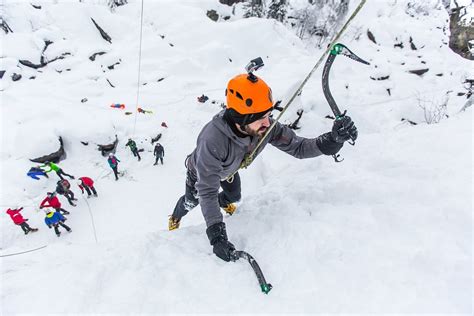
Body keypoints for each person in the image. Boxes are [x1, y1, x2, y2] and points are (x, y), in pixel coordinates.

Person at [169, 73, 358, 262]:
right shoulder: (212, 140)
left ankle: (224, 202)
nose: (268, 123)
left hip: (228, 171)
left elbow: (299, 147)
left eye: (269, 115)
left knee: (234, 196)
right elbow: (207, 191)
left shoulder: (265, 128)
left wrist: (332, 140)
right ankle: (176, 216)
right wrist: (217, 236)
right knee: (192, 200)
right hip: (200, 174)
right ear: (241, 118)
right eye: (261, 118)